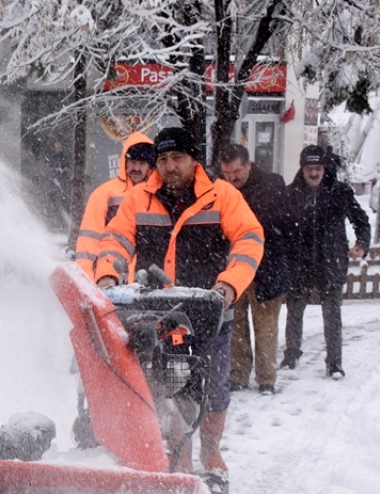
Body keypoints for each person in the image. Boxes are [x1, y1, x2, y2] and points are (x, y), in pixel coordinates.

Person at [84, 127, 265, 475]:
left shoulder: (222, 196)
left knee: (213, 388)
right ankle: (179, 453)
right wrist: (107, 273)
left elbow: (249, 239)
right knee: (169, 388)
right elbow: (116, 239)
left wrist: (227, 286)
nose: (169, 166)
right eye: (163, 159)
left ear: (193, 159)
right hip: (162, 315)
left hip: (211, 313)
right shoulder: (140, 198)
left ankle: (210, 452)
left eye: (177, 158)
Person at [282, 145, 371, 380]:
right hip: (300, 264)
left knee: (332, 316)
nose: (314, 173)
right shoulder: (290, 194)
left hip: (330, 263)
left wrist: (362, 243)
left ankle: (334, 363)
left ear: (325, 168)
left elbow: (361, 220)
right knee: (294, 311)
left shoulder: (340, 192)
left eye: (318, 168)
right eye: (309, 168)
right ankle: (291, 355)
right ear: (302, 169)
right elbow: (279, 227)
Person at [218, 143, 291, 395]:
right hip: (234, 269)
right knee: (235, 325)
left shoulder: (272, 185)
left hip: (268, 268)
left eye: (237, 171)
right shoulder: (220, 189)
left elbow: (284, 226)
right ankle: (237, 374)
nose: (232, 178)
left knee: (266, 326)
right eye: (226, 173)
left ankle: (266, 378)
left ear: (249, 164)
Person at [73, 132, 154, 276]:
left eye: (142, 163)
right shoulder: (104, 194)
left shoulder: (156, 195)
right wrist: (86, 276)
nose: (136, 168)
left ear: (150, 166)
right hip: (109, 277)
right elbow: (89, 240)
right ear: (124, 162)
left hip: (145, 279)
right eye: (133, 162)